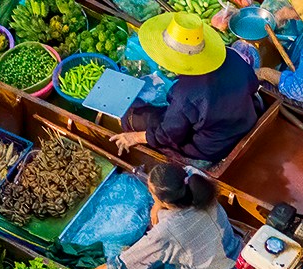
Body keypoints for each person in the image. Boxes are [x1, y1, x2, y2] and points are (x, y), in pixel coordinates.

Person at [111, 12, 260, 165]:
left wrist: (134, 137)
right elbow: (253, 84)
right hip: (245, 121)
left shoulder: (185, 92)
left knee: (132, 117)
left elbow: (169, 133)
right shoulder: (231, 55)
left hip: (213, 147)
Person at [93, 165, 241, 269]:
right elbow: (186, 171)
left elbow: (124, 264)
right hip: (239, 267)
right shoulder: (197, 180)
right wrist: (157, 205)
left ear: (166, 201)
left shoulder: (167, 230)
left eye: (151, 193)